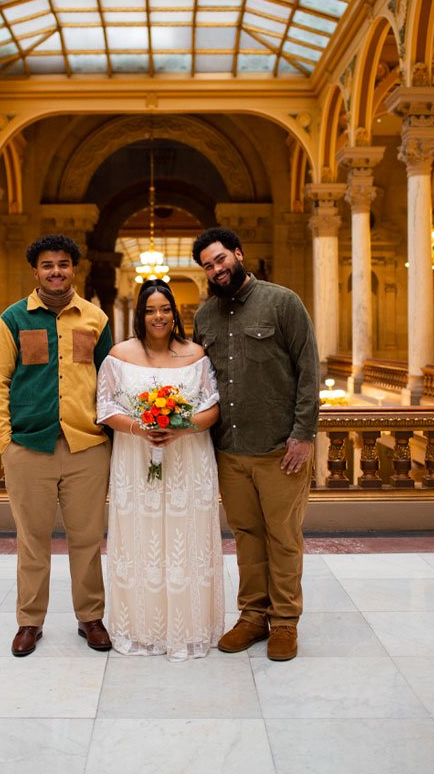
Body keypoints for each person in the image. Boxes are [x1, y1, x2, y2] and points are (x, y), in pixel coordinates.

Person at [192, 227, 319, 661]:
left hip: (280, 448)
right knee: (246, 536)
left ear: (238, 255)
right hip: (230, 449)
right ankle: (252, 615)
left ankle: (285, 622)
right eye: (208, 265)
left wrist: (303, 435)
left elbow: (308, 370)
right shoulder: (205, 316)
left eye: (220, 259)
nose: (216, 269)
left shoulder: (282, 302)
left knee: (282, 536)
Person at [0, 234, 114, 657]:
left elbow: (111, 382)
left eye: (63, 264)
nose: (55, 271)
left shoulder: (95, 318)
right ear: (36, 271)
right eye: (47, 265)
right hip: (28, 447)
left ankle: (90, 617)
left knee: (87, 538)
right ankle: (29, 621)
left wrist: (109, 435)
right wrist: (4, 441)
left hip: (87, 447)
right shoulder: (13, 319)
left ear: (74, 268)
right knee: (32, 540)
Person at [96, 280, 223, 661]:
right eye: (150, 310)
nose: (159, 316)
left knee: (187, 537)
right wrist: (140, 427)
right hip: (136, 460)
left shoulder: (195, 354)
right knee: (142, 537)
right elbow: (105, 409)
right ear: (140, 313)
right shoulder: (118, 355)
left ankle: (189, 626)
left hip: (189, 458)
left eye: (165, 309)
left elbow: (213, 408)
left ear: (175, 312)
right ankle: (142, 627)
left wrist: (180, 427)